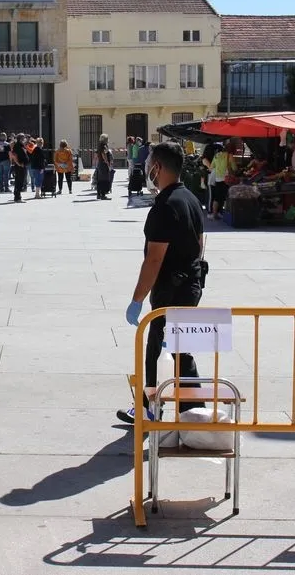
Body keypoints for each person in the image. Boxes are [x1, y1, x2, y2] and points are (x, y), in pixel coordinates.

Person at [119, 141, 206, 424]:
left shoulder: (165, 206)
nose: (147, 169)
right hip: (191, 283)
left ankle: (150, 407)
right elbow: (200, 243)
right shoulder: (190, 199)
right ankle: (192, 409)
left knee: (157, 348)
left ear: (157, 167)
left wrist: (137, 299)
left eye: (149, 164)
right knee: (181, 347)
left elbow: (154, 260)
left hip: (170, 288)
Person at [206, 141, 235, 220]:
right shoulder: (230, 156)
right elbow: (235, 168)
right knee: (226, 197)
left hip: (218, 179)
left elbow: (211, 167)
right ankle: (224, 213)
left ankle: (215, 214)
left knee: (217, 197)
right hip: (227, 180)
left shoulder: (216, 156)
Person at [11, 134, 30, 203]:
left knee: (20, 181)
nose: (25, 139)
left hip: (23, 166)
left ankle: (17, 196)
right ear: (20, 139)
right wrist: (18, 164)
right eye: (23, 138)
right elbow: (13, 155)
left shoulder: (21, 145)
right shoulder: (17, 145)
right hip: (19, 166)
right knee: (19, 181)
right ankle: (17, 197)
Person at [94, 134, 112, 200]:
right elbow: (103, 154)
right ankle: (103, 195)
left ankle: (98, 194)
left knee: (99, 180)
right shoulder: (104, 145)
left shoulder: (99, 145)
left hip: (100, 164)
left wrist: (95, 162)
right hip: (104, 164)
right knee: (104, 180)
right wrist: (107, 162)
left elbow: (96, 154)